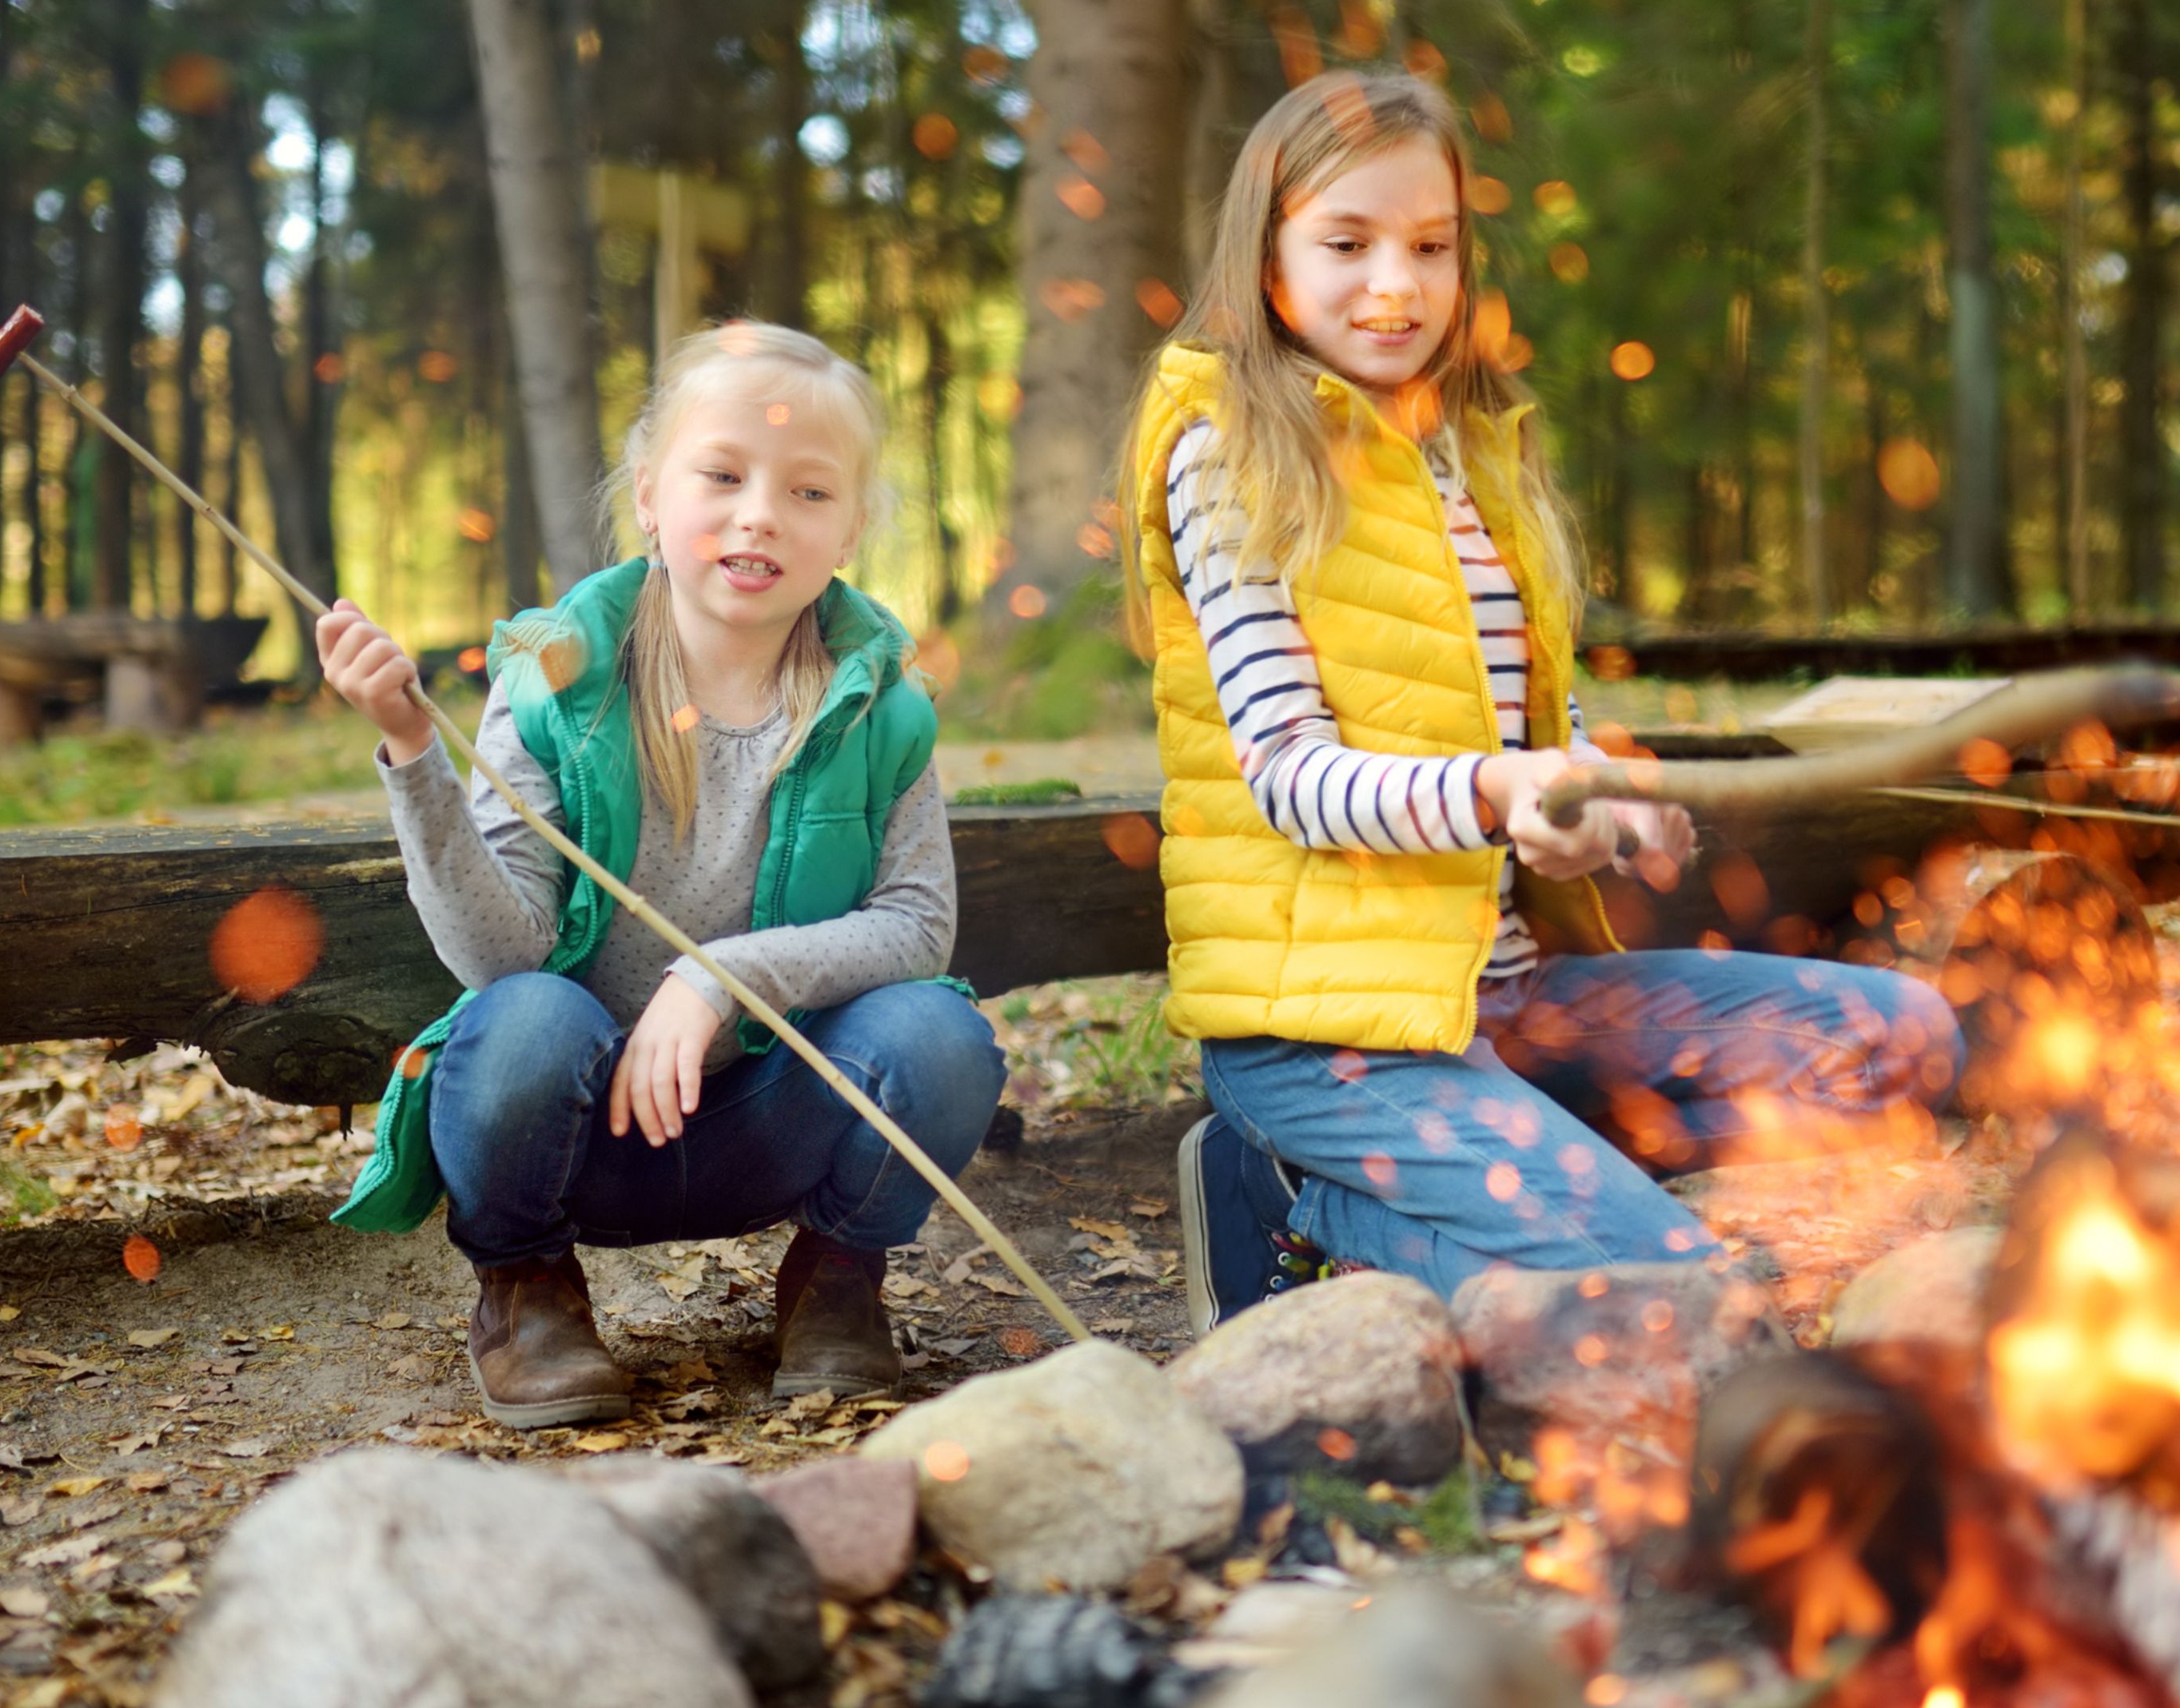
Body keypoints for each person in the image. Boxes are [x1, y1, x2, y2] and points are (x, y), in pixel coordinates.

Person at [1119, 70, 1963, 1335]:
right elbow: (1291, 775)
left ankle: (1502, 1168)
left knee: (1907, 1042)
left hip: (1501, 999)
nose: (1393, 284)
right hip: (1328, 1038)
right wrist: (1495, 795)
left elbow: (1523, 733)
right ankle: (1304, 1192)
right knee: (1689, 1303)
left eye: (1430, 247)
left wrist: (1605, 800)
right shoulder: (1233, 456)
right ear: (1270, 254)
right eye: (1346, 243)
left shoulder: (1464, 450)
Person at [319, 322, 1003, 1426]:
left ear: (852, 529)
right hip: (577, 1129)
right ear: (650, 494)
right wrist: (411, 749)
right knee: (523, 1022)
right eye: (723, 474)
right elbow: (503, 955)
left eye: (809, 490)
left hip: (767, 1119)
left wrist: (721, 976)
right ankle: (527, 1287)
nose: (760, 513)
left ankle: (834, 1277)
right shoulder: (553, 683)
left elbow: (919, 928)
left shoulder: (881, 705)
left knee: (940, 1036)